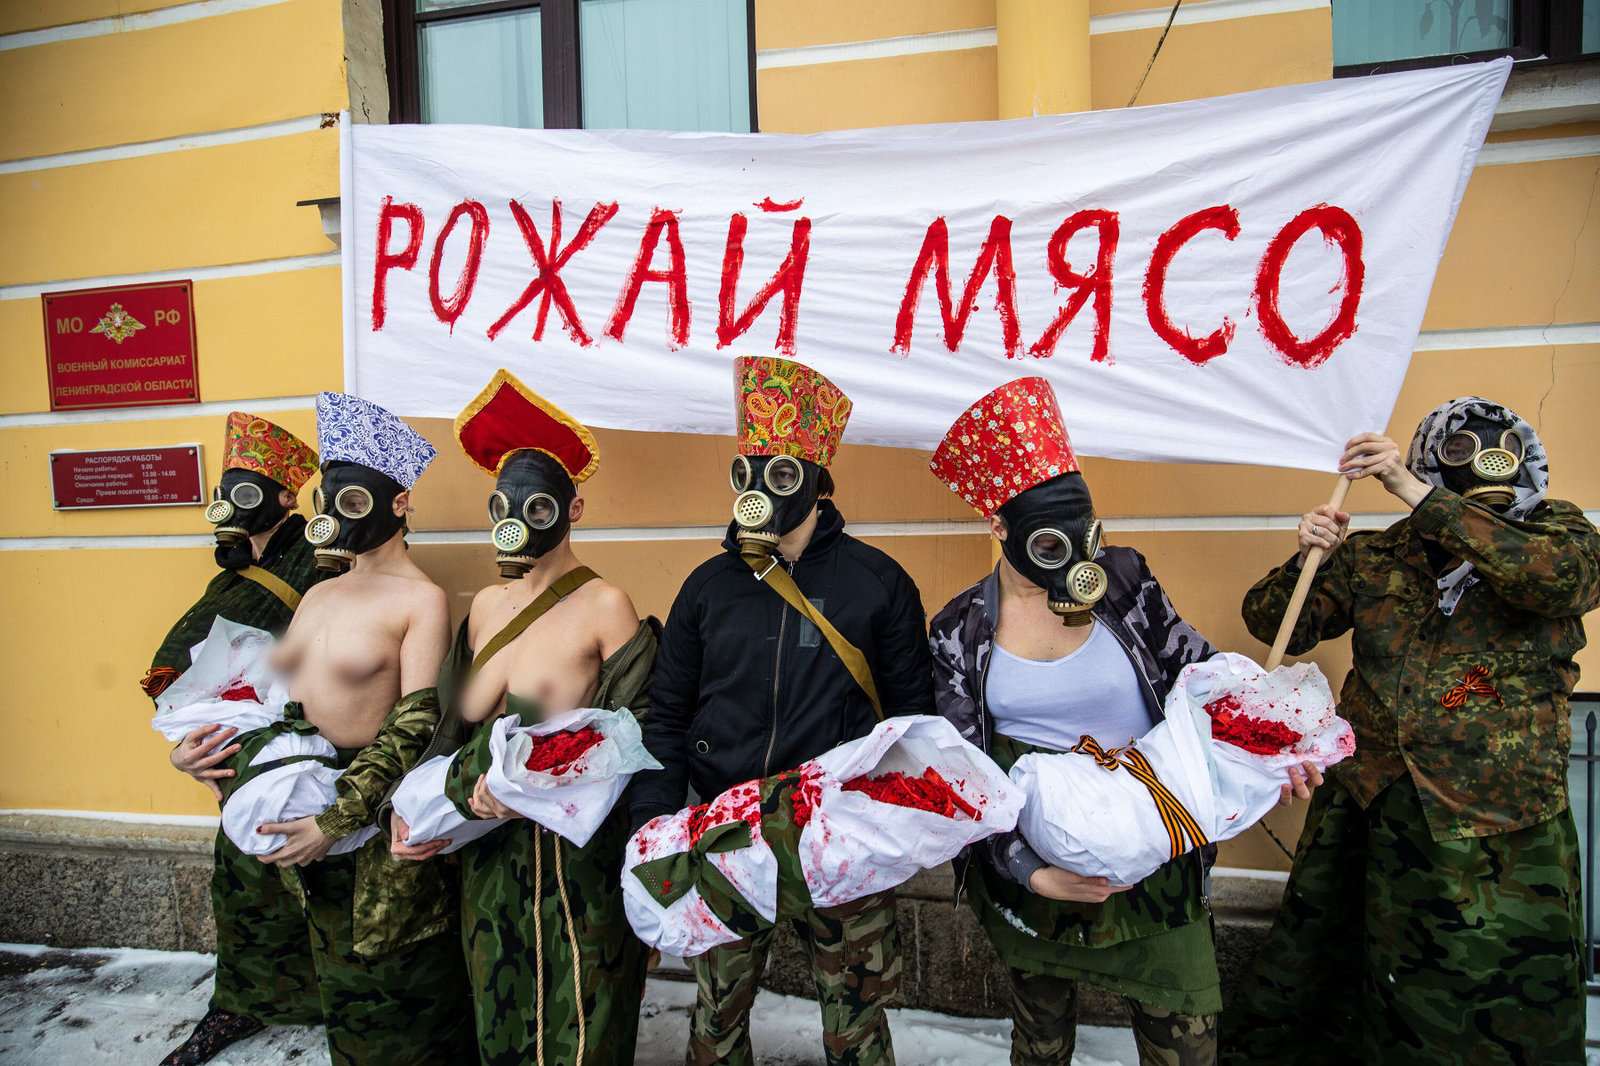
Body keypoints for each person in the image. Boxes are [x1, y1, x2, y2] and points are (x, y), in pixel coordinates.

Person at [926, 377, 1318, 1066]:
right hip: (1040, 852)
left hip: (1154, 840)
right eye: (1053, 547)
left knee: (1185, 1034)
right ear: (1001, 529)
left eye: (1086, 535)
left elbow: (1196, 669)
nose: (1080, 564)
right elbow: (963, 775)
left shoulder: (1125, 579)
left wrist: (1274, 741)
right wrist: (1025, 869)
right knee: (1040, 1043)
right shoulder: (962, 628)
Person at [1222, 398, 1599, 1064]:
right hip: (1374, 808)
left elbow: (1557, 582)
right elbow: (1275, 621)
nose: (1484, 458)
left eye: (1500, 444)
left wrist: (1415, 494)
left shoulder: (1555, 536)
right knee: (1338, 980)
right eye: (1457, 449)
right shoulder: (1380, 554)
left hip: (1499, 827)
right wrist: (1306, 556)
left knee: (1494, 991)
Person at [633, 355, 935, 1066]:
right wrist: (654, 825)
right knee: (716, 1019)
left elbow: (913, 721)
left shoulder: (877, 583)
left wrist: (888, 830)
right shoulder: (706, 589)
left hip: (838, 839)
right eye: (746, 472)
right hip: (727, 835)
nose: (759, 491)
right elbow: (668, 717)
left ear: (818, 482)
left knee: (856, 1024)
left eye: (781, 473)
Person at [390, 369, 660, 1066]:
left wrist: (525, 789)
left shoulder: (605, 604)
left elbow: (632, 729)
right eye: (505, 503)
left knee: (583, 1006)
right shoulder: (483, 606)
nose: (517, 518)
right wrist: (415, 805)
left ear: (573, 511)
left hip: (570, 860)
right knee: (499, 998)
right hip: (487, 849)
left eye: (537, 505)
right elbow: (450, 725)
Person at [257, 390, 474, 1066]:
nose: (338, 513)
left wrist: (340, 818)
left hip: (376, 828)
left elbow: (416, 726)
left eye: (355, 499)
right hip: (310, 815)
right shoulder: (319, 593)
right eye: (331, 498)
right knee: (337, 989)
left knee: (400, 993)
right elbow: (285, 704)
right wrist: (252, 777)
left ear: (400, 502)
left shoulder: (420, 599)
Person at [150, 411, 324, 1066]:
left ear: (286, 497)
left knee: (316, 884)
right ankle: (243, 1001)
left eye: (247, 488)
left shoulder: (318, 562)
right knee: (244, 883)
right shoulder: (229, 577)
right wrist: (182, 747)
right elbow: (199, 672)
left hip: (304, 756)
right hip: (235, 761)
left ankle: (334, 1002)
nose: (230, 501)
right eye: (227, 488)